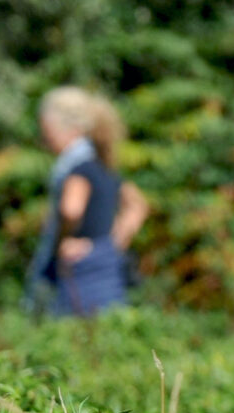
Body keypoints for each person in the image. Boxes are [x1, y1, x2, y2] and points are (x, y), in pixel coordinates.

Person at [29, 87, 150, 317]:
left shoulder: (76, 166)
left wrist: (62, 241)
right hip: (106, 268)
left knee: (72, 330)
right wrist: (110, 244)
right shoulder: (102, 163)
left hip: (79, 270)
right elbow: (137, 205)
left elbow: (71, 210)